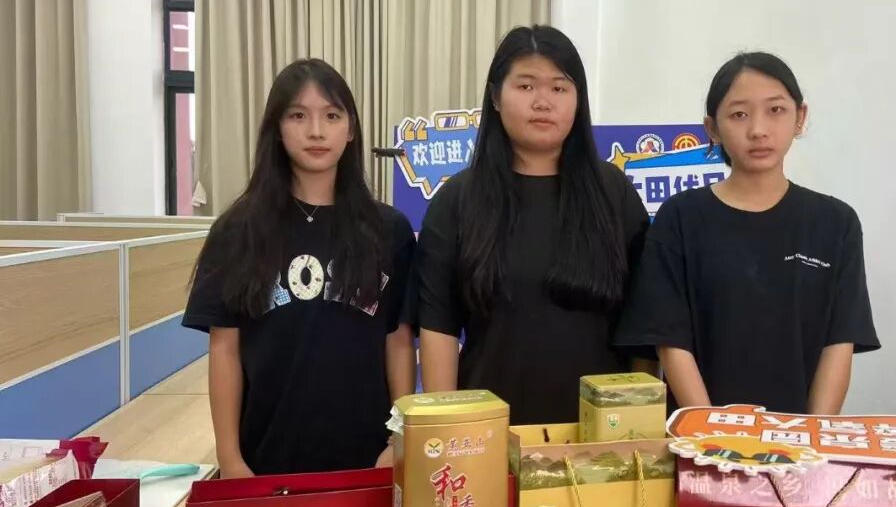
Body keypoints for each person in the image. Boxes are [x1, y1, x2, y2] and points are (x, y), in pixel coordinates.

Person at [183, 59, 415, 477]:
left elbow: (398, 341)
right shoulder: (237, 231)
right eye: (298, 115)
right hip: (266, 460)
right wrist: (230, 458)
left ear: (351, 129)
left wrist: (398, 440)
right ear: (277, 127)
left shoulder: (389, 231)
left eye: (332, 115)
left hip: (368, 461)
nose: (316, 131)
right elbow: (224, 349)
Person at [615, 52, 878, 415]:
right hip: (701, 436)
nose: (758, 129)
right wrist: (710, 432)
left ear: (800, 117)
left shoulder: (835, 222)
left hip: (799, 437)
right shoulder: (681, 218)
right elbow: (670, 342)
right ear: (712, 128)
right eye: (739, 114)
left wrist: (814, 434)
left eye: (775, 110)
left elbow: (839, 343)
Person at [413, 25, 650, 425]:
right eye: (525, 87)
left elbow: (642, 323)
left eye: (559, 88)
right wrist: (448, 431)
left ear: (578, 100)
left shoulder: (614, 194)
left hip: (601, 439)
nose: (543, 102)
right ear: (495, 97)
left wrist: (637, 426)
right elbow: (439, 328)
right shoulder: (458, 200)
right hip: (488, 434)